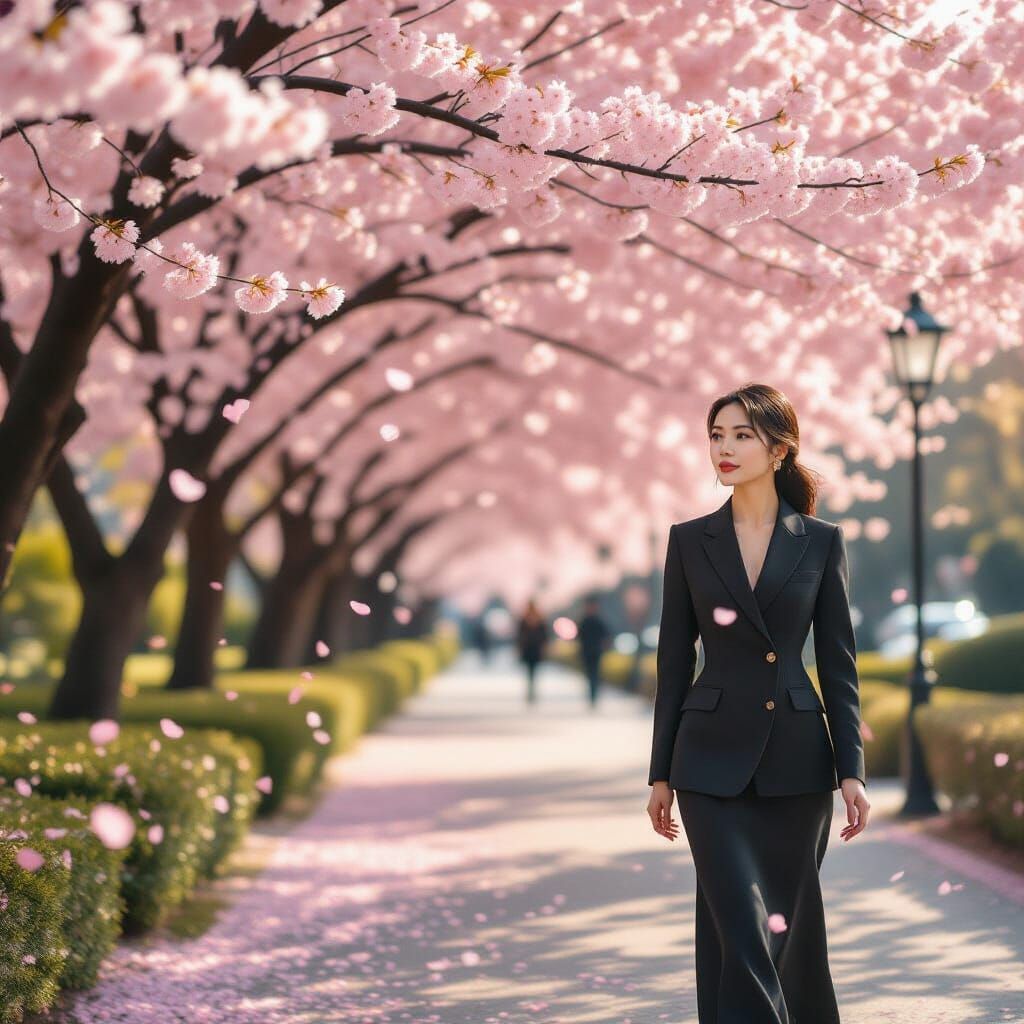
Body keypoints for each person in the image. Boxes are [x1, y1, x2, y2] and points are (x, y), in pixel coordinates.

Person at [645, 383, 871, 1024]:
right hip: (707, 767)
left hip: (799, 766)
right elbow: (672, 664)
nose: (725, 447)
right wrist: (660, 773)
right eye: (717, 435)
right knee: (741, 928)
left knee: (785, 933)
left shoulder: (821, 541)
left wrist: (851, 769)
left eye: (742, 434)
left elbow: (838, 662)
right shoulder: (689, 541)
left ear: (779, 449)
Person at [577, 596, 611, 708]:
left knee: (594, 674)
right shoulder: (584, 622)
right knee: (590, 675)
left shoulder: (598, 621)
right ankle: (592, 695)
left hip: (596, 652)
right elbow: (579, 637)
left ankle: (594, 695)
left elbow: (606, 636)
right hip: (587, 652)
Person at [516, 598, 548, 704]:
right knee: (531, 672)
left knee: (531, 672)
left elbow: (544, 636)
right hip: (531, 649)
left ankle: (531, 692)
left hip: (532, 649)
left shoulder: (530, 619)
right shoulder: (529, 620)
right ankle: (531, 692)